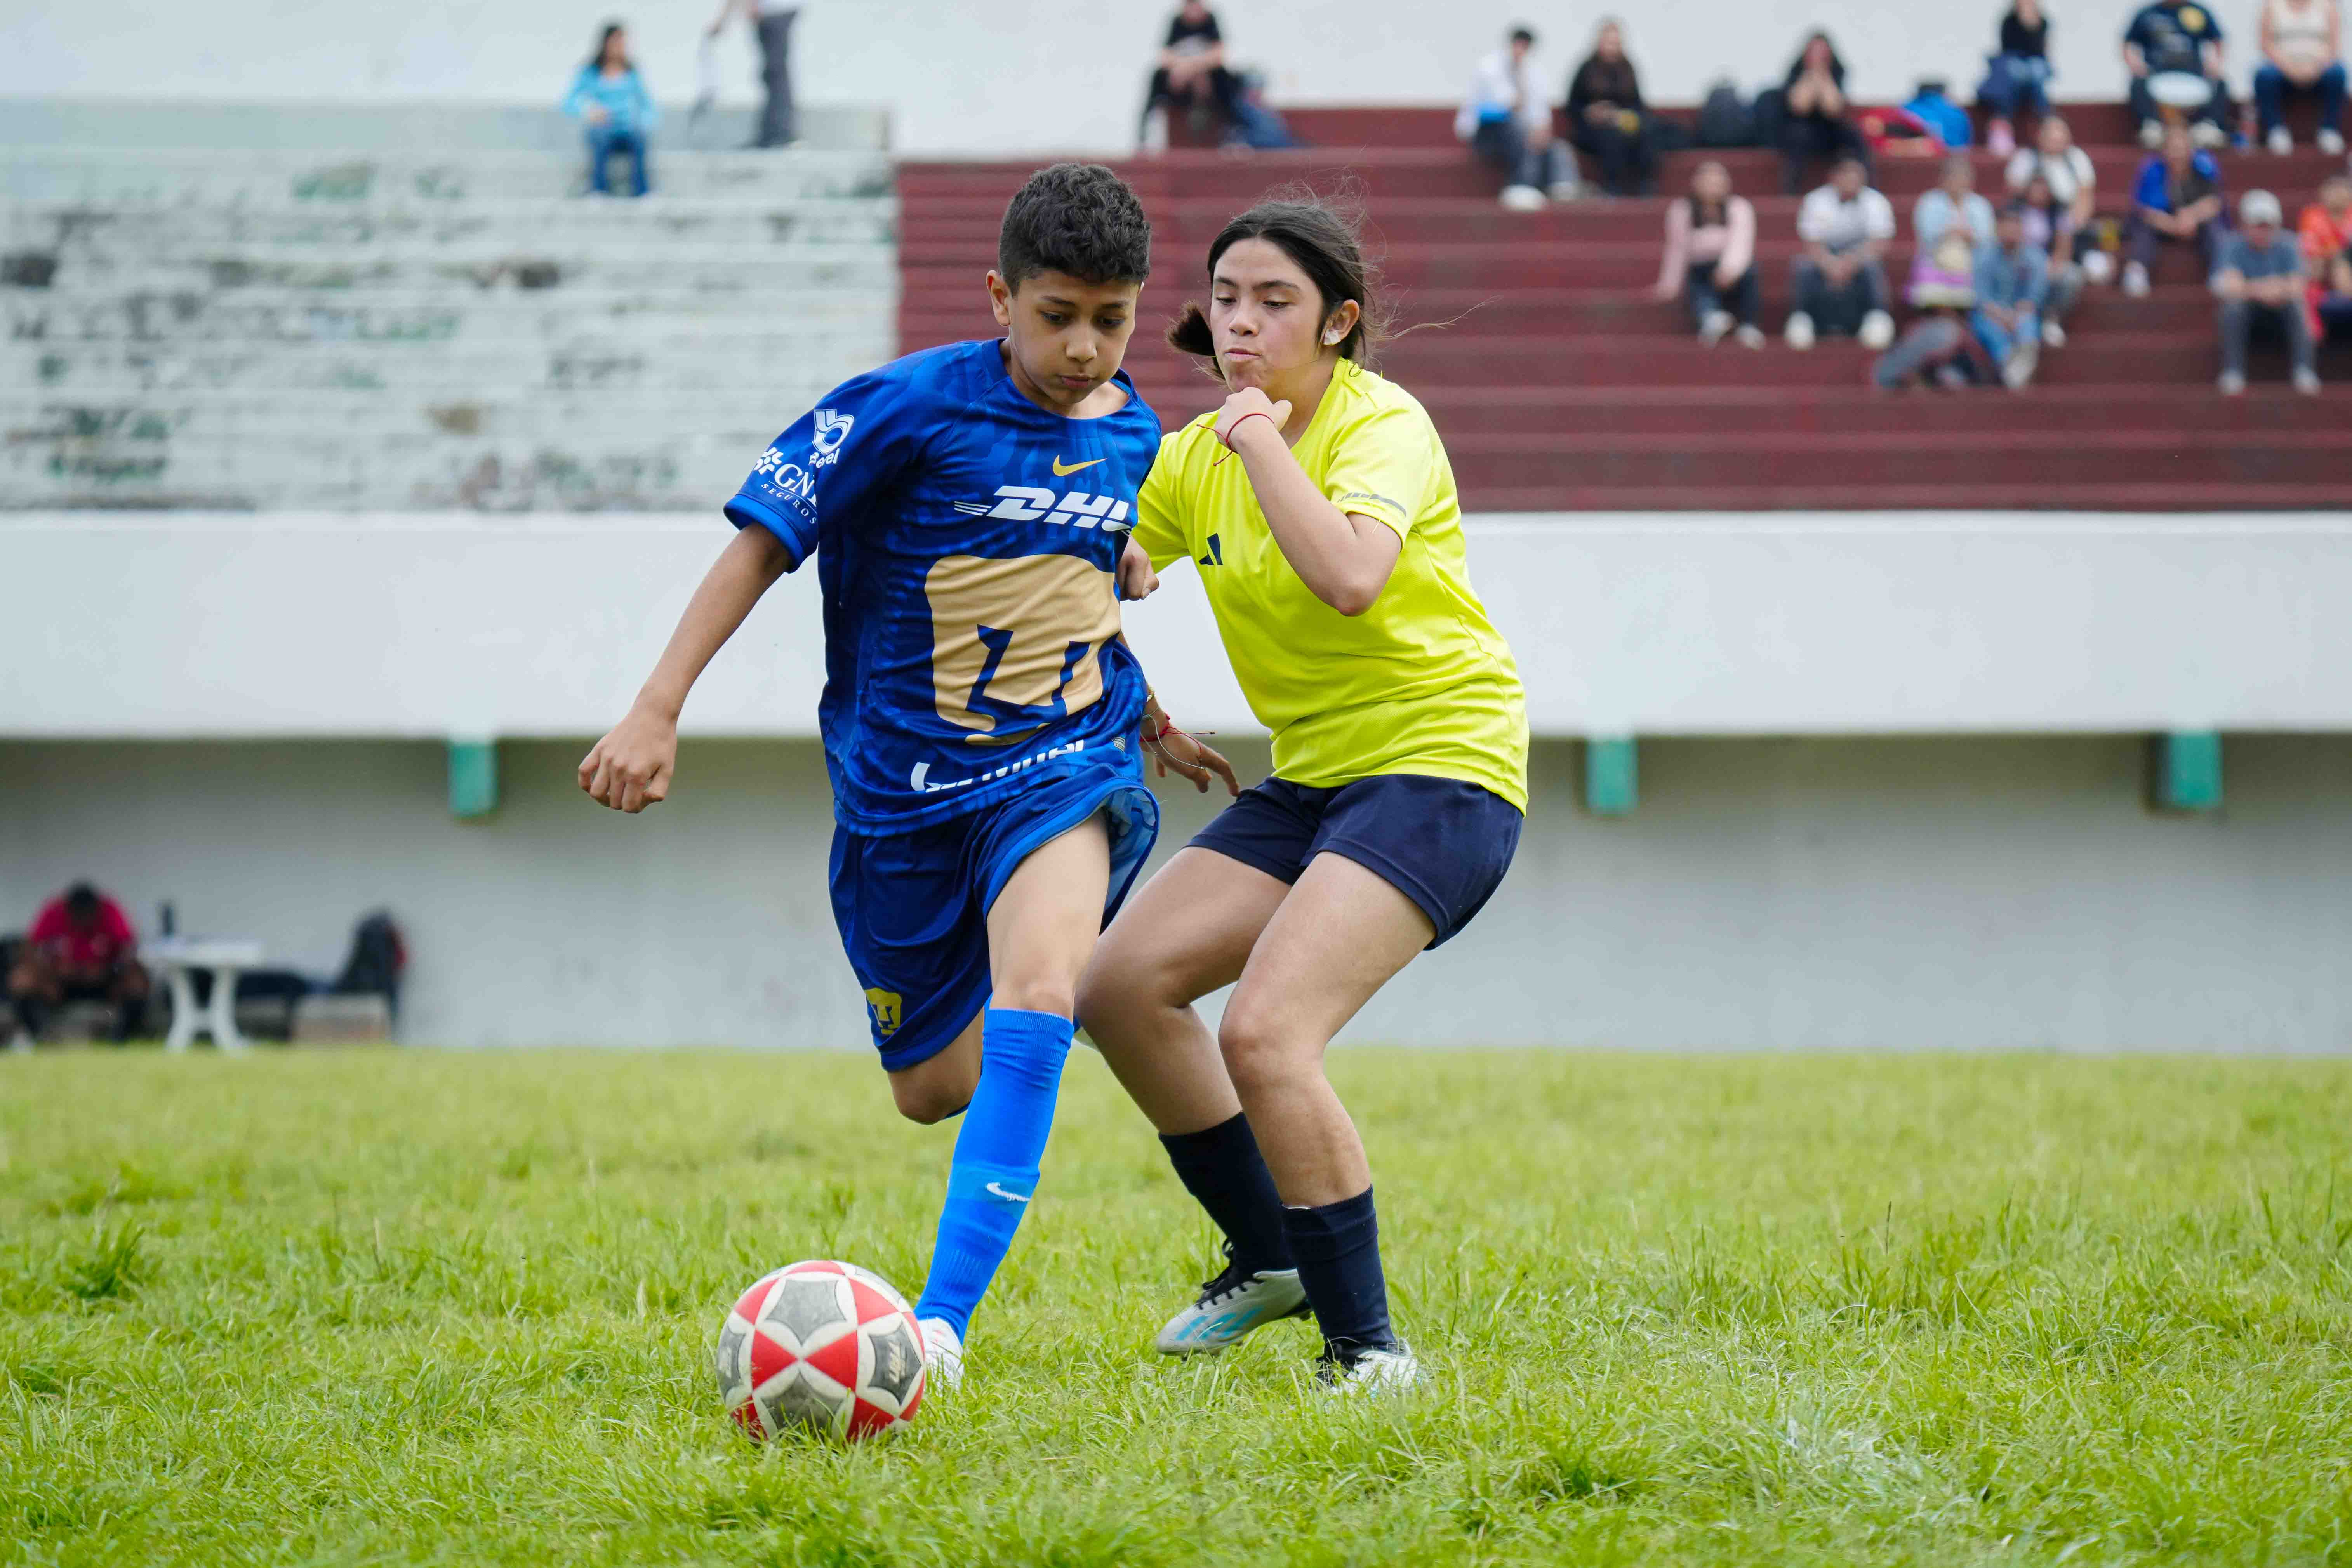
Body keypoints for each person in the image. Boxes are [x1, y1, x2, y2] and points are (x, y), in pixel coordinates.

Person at [578, 164, 1223, 1391]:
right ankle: (1016, 1079)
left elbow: (1073, 590)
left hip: (1061, 765)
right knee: (930, 1089)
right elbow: (759, 547)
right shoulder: (903, 407)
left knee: (1044, 985)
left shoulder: (1134, 425)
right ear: (999, 297)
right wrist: (657, 708)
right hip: (903, 798)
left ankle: (939, 1325)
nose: (1088, 348)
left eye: (1113, 317)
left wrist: (1147, 712)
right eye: (1057, 316)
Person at [1078, 200, 1527, 1394]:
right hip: (1319, 774)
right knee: (1117, 985)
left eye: (1275, 302)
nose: (1242, 321)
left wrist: (1259, 436)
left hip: (1445, 764)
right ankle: (1270, 1252)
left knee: (1269, 1032)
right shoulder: (1189, 457)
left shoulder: (1383, 425)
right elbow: (1105, 567)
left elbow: (1347, 576)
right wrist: (1135, 696)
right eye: (1226, 296)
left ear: (1340, 323)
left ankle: (1370, 1354)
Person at [7, 882, 148, 1046]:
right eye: (78, 917)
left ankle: (122, 1038)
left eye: (88, 917)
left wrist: (114, 968)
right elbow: (29, 949)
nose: (83, 923)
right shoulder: (54, 911)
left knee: (137, 982)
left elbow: (130, 948)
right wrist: (48, 971)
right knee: (21, 980)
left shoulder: (110, 910)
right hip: (60, 983)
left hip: (105, 981)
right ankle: (40, 1036)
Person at [1456, 25, 1579, 208]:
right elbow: (1504, 105)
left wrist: (1542, 129)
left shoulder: (1534, 73)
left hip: (1521, 133)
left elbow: (1540, 112)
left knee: (1558, 147)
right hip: (1489, 134)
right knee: (1519, 132)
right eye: (1518, 45)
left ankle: (1563, 185)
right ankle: (1521, 185)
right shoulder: (1488, 68)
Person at [2215, 189, 2322, 394]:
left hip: (2281, 308)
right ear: (2245, 225)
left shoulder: (2290, 243)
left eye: (2268, 226)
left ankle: (2304, 370)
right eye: (2258, 225)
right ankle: (2233, 371)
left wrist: (2253, 287)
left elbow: (2298, 286)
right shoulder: (2231, 245)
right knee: (2232, 309)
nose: (2263, 231)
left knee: (2299, 307)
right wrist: (2268, 288)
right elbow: (2230, 287)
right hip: (2249, 310)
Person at [1788, 153, 1897, 350]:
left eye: (1856, 175)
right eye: (1845, 175)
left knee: (1873, 267)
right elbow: (1811, 243)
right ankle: (1803, 318)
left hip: (1861, 256)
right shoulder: (1815, 200)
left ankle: (1877, 317)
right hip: (1826, 256)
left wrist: (1851, 262)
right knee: (1803, 266)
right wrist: (1830, 264)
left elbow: (1880, 243)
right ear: (1834, 177)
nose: (1851, 180)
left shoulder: (1876, 201)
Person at [1651, 159, 1764, 347]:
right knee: (1696, 279)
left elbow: (1742, 242)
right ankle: (1710, 317)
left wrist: (1730, 269)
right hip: (1701, 269)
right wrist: (1669, 285)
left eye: (1718, 182)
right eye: (1707, 182)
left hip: (1735, 271)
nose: (1713, 188)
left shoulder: (1740, 207)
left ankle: (1748, 324)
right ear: (1695, 184)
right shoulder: (1682, 210)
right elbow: (1677, 250)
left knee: (1751, 271)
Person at [2123, 122, 2225, 297]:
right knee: (2143, 230)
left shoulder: (2205, 166)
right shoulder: (2151, 170)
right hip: (2162, 222)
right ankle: (2137, 271)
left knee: (2214, 227)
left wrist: (2192, 216)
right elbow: (2145, 210)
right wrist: (2173, 225)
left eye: (2183, 148)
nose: (2178, 154)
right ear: (2164, 150)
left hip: (2195, 222)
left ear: (2191, 149)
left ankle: (2220, 273)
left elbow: (2214, 202)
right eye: (2173, 149)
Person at [563, 23, 657, 197]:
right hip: (603, 128)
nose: (620, 47)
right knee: (599, 137)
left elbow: (647, 105)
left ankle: (642, 192)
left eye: (623, 42)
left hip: (627, 129)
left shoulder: (632, 73)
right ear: (605, 43)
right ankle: (598, 190)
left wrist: (643, 122)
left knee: (640, 139)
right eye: (616, 42)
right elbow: (569, 101)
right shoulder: (590, 72)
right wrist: (589, 111)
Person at [2123, 0, 2231, 148]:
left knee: (2219, 82)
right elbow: (2128, 43)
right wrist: (2136, 65)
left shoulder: (2198, 11)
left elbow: (2218, 40)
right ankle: (2152, 127)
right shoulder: (2147, 14)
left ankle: (2209, 127)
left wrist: (2215, 64)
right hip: (2157, 73)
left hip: (2194, 73)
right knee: (2138, 82)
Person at [1566, 19, 1656, 196]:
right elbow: (1573, 105)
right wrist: (1590, 112)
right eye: (1608, 42)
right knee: (1611, 137)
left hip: (1624, 124)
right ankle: (1612, 187)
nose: (1612, 48)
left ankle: (1645, 186)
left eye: (1616, 43)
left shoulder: (1628, 69)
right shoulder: (1587, 69)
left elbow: (1638, 104)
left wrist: (1619, 115)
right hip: (1593, 129)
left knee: (1646, 133)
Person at [1142, 1, 1247, 148]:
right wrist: (1182, 70)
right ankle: (1146, 131)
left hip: (1205, 79)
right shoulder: (1177, 22)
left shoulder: (1210, 21)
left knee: (1226, 78)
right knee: (1157, 77)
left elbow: (1220, 55)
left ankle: (1233, 131)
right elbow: (1164, 56)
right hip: (1180, 81)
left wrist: (1194, 69)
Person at [1778, 31, 1872, 195]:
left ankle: (1869, 187)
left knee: (1855, 136)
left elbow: (1833, 110)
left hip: (1830, 129)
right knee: (1798, 136)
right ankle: (1790, 191)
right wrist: (1811, 76)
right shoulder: (1795, 73)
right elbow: (1800, 107)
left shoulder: (1837, 73)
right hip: (1803, 129)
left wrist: (1824, 77)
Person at [2254, 0, 2347, 154]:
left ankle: (2329, 130)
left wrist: (2315, 67)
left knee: (2338, 73)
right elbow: (2266, 44)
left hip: (2319, 68)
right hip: (2283, 69)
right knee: (2264, 75)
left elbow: (2334, 46)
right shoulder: (2272, 6)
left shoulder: (2328, 6)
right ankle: (2276, 131)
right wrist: (2289, 67)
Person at [705, 0, 801, 148]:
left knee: (774, 73)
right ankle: (773, 133)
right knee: (773, 73)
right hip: (774, 11)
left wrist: (751, 5)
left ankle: (779, 133)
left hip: (773, 12)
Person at [1975, 203, 2052, 387]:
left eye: (2016, 226)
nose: (2012, 231)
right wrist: (2001, 316)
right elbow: (1981, 295)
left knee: (2028, 326)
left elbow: (2035, 295)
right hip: (1991, 313)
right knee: (1990, 329)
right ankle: (2012, 368)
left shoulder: (2035, 256)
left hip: (2021, 312)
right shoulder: (1983, 254)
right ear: (1998, 228)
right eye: (2007, 226)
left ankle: (2014, 374)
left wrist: (2016, 315)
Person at [2016, 171, 2090, 342]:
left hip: (2049, 264)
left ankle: (2051, 317)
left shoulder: (2058, 214)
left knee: (2072, 276)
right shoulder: (2016, 212)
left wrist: (2053, 264)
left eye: (2043, 190)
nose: (2039, 194)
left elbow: (2064, 246)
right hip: (2020, 264)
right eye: (2035, 190)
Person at [1979, 0, 2055, 156]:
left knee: (2036, 73)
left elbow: (2039, 50)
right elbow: (2007, 48)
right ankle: (2004, 125)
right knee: (2015, 75)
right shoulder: (2009, 21)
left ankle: (2047, 124)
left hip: (2033, 65)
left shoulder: (2043, 22)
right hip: (2014, 63)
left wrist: (2031, 25)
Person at [2299, 173, 2352, 338]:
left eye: (2342, 190)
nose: (2337, 195)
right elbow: (2311, 251)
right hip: (2322, 271)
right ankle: (2313, 329)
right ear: (2323, 193)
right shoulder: (2311, 215)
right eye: (2332, 190)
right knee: (2313, 267)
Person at [1915, 153, 1997, 252]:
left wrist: (1968, 236)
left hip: (1975, 261)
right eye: (1954, 176)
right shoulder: (1929, 202)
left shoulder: (1981, 204)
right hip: (1935, 259)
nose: (1959, 181)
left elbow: (1987, 237)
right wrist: (1951, 233)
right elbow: (1927, 235)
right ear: (1943, 179)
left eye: (1963, 177)